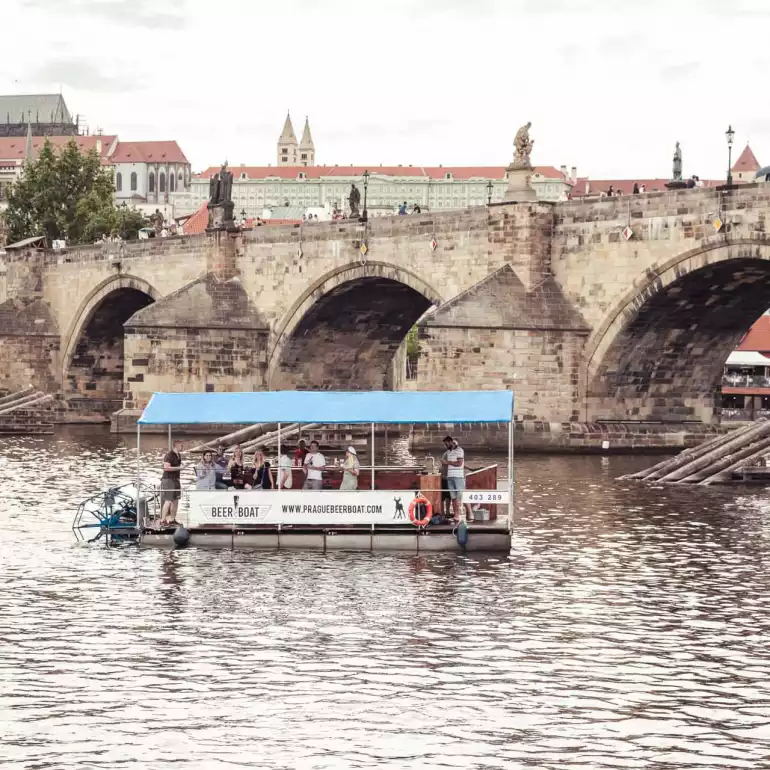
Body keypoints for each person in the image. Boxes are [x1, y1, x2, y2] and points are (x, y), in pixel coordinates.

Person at [441, 435, 467, 524]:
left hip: (458, 477)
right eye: (445, 444)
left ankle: (458, 515)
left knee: (458, 497)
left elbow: (459, 463)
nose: (446, 446)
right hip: (450, 476)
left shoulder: (460, 450)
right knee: (453, 497)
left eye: (446, 444)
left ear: (451, 442)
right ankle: (456, 515)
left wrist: (447, 462)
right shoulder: (448, 452)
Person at [160, 440, 183, 525]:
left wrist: (179, 468)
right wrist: (179, 468)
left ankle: (172, 519)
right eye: (181, 445)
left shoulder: (179, 455)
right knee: (168, 500)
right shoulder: (169, 455)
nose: (182, 447)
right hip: (168, 479)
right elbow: (166, 468)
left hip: (176, 479)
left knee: (176, 500)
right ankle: (163, 520)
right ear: (176, 446)